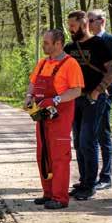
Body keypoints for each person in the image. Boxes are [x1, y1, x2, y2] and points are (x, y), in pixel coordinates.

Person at [24, 29, 84, 209]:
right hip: (42, 115)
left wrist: (56, 99)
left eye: (47, 43)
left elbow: (76, 90)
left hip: (60, 116)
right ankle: (48, 193)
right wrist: (28, 97)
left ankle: (60, 197)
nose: (43, 46)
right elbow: (33, 83)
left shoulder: (70, 64)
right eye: (43, 42)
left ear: (59, 44)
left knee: (59, 157)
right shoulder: (42, 63)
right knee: (43, 155)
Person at [64, 11, 112, 200]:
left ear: (84, 23)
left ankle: (90, 185)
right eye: (69, 25)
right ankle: (83, 181)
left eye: (73, 25)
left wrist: (97, 91)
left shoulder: (99, 44)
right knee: (78, 142)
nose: (70, 29)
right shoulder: (69, 48)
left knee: (88, 140)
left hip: (94, 99)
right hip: (75, 99)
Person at [86, 9, 112, 190]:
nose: (88, 24)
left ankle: (106, 177)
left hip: (104, 96)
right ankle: (89, 177)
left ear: (102, 21)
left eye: (91, 20)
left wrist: (104, 92)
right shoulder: (89, 42)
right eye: (87, 20)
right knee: (87, 137)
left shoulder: (111, 41)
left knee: (103, 136)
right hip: (87, 96)